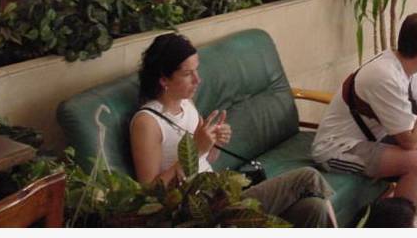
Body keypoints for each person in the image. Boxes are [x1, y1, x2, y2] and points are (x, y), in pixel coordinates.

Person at [130, 33, 336, 227]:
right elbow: (149, 197)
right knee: (308, 178)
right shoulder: (147, 122)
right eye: (187, 74)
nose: (197, 80)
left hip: (221, 197)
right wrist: (194, 151)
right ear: (164, 80)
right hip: (201, 215)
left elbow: (207, 159)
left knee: (313, 208)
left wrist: (214, 143)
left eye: (196, 70)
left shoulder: (186, 104)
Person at [311, 13, 417, 226]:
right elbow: (409, 141)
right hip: (338, 147)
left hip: (374, 139)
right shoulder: (384, 76)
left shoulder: (408, 67)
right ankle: (397, 224)